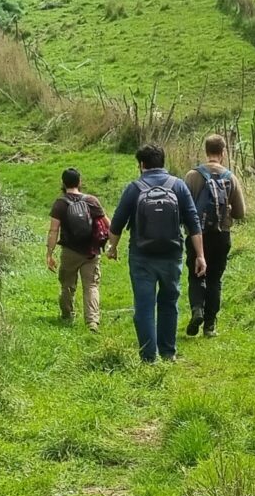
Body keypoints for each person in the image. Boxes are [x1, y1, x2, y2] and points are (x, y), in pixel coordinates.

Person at [108, 143, 206, 364]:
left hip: (141, 256)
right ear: (163, 162)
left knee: (144, 305)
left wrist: (112, 247)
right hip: (171, 255)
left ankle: (148, 357)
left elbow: (116, 223)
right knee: (169, 302)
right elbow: (193, 222)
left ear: (141, 164)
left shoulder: (134, 188)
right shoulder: (178, 186)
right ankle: (168, 353)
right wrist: (200, 255)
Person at [182, 133, 248, 338]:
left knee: (195, 275)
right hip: (221, 235)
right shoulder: (231, 177)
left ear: (206, 151)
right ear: (223, 153)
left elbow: (183, 208)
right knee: (214, 279)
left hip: (196, 235)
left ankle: (197, 310)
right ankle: (210, 326)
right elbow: (240, 213)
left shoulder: (192, 176)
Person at [46, 167, 107, 330]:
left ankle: (67, 315)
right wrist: (112, 245)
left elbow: (53, 230)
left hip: (69, 252)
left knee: (67, 285)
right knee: (92, 286)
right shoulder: (92, 201)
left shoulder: (60, 203)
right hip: (91, 252)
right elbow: (107, 224)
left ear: (63, 183)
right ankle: (92, 321)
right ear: (80, 182)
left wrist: (49, 254)